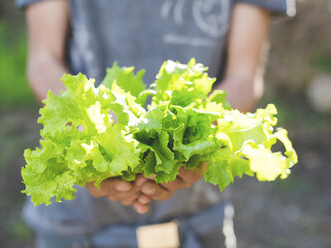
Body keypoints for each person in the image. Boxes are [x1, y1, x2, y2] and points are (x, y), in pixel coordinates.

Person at [16, 0, 294, 247]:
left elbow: (244, 75)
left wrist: (198, 142)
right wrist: (95, 142)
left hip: (197, 222)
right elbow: (44, 60)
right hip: (79, 228)